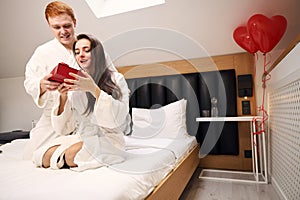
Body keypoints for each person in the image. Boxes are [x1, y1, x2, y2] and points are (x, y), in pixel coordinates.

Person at [23, 1, 123, 168]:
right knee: (31, 157)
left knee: (81, 150)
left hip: (90, 115)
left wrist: (92, 87)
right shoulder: (43, 52)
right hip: (56, 117)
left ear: (74, 22)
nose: (63, 31)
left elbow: (111, 80)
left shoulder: (93, 48)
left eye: (67, 25)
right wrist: (42, 84)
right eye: (56, 27)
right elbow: (29, 81)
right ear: (49, 26)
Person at [35, 33, 131, 170]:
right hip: (82, 136)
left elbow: (119, 118)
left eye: (86, 50)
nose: (81, 55)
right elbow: (64, 129)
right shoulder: (75, 81)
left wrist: (93, 89)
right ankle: (71, 155)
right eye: (77, 52)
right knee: (44, 156)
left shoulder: (116, 79)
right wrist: (63, 96)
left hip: (108, 139)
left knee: (70, 155)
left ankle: (71, 157)